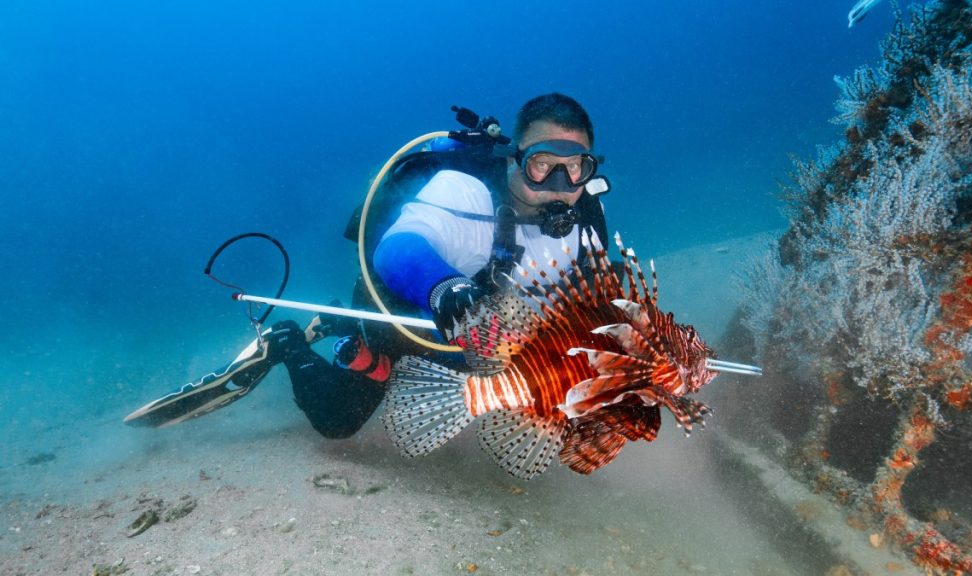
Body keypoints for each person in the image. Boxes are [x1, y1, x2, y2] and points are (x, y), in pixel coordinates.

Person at [128, 93, 610, 438]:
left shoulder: (586, 222)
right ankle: (288, 342)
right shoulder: (463, 192)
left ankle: (336, 323)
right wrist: (447, 289)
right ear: (514, 158)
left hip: (490, 347)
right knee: (337, 421)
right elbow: (398, 248)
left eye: (576, 168)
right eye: (543, 164)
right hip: (403, 318)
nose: (561, 183)